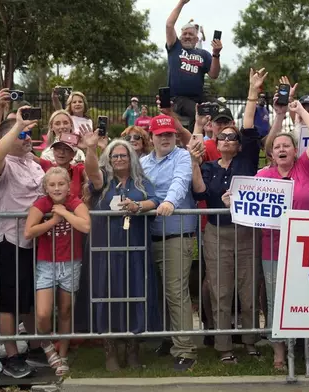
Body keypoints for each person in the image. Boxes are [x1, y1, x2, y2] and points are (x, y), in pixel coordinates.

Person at [190, 68, 265, 363]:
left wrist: (252, 92)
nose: (228, 140)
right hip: (217, 234)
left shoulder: (246, 161)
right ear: (216, 142)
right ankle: (224, 347)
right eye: (223, 138)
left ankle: (249, 341)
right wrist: (195, 164)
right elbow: (199, 193)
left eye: (233, 137)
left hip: (246, 232)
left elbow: (247, 124)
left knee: (248, 291)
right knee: (220, 292)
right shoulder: (208, 167)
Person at [257, 100, 309, 371]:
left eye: (287, 145)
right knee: (275, 301)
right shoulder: (263, 175)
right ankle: (279, 354)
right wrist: (231, 199)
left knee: (308, 298)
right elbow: (248, 202)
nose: (282, 149)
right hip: (272, 248)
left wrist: (299, 112)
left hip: (307, 248)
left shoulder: (306, 168)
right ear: (271, 154)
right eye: (277, 147)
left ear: (296, 151)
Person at [84, 135, 161, 371]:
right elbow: (92, 172)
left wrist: (139, 206)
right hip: (106, 249)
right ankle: (110, 351)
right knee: (108, 294)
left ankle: (133, 350)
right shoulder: (103, 181)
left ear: (131, 158)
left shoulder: (141, 182)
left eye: (123, 155)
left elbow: (155, 200)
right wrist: (89, 147)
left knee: (136, 292)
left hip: (135, 248)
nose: (119, 159)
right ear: (108, 158)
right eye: (114, 155)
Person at [0, 108, 45, 378]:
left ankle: (33, 347)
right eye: (22, 135)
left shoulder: (33, 163)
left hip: (34, 240)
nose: (27, 138)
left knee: (29, 299)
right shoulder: (3, 164)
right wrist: (15, 125)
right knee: (9, 301)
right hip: (9, 239)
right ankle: (11, 355)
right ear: (8, 138)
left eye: (29, 134)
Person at [140, 114, 198, 370]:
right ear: (151, 137)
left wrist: (169, 202)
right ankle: (167, 338)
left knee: (176, 293)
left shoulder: (183, 156)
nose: (165, 138)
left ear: (175, 135)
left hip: (176, 235)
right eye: (160, 134)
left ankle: (185, 349)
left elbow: (180, 182)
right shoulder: (142, 162)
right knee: (158, 293)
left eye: (169, 134)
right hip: (148, 234)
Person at [24, 167, 91, 376]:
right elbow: (28, 231)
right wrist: (53, 221)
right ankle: (46, 343)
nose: (57, 188)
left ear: (68, 184)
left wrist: (63, 212)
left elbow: (86, 226)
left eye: (61, 184)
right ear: (46, 187)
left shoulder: (74, 203)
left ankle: (62, 356)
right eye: (52, 185)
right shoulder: (42, 204)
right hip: (47, 263)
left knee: (65, 311)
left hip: (71, 262)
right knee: (43, 314)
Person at [166, 0, 222, 128]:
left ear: (196, 39)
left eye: (190, 34)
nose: (187, 36)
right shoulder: (175, 47)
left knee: (220, 109)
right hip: (178, 99)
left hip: (199, 97)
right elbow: (169, 25)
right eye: (184, 33)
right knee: (198, 112)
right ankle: (193, 143)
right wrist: (181, 3)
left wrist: (216, 54)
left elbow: (214, 74)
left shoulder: (204, 54)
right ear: (180, 37)